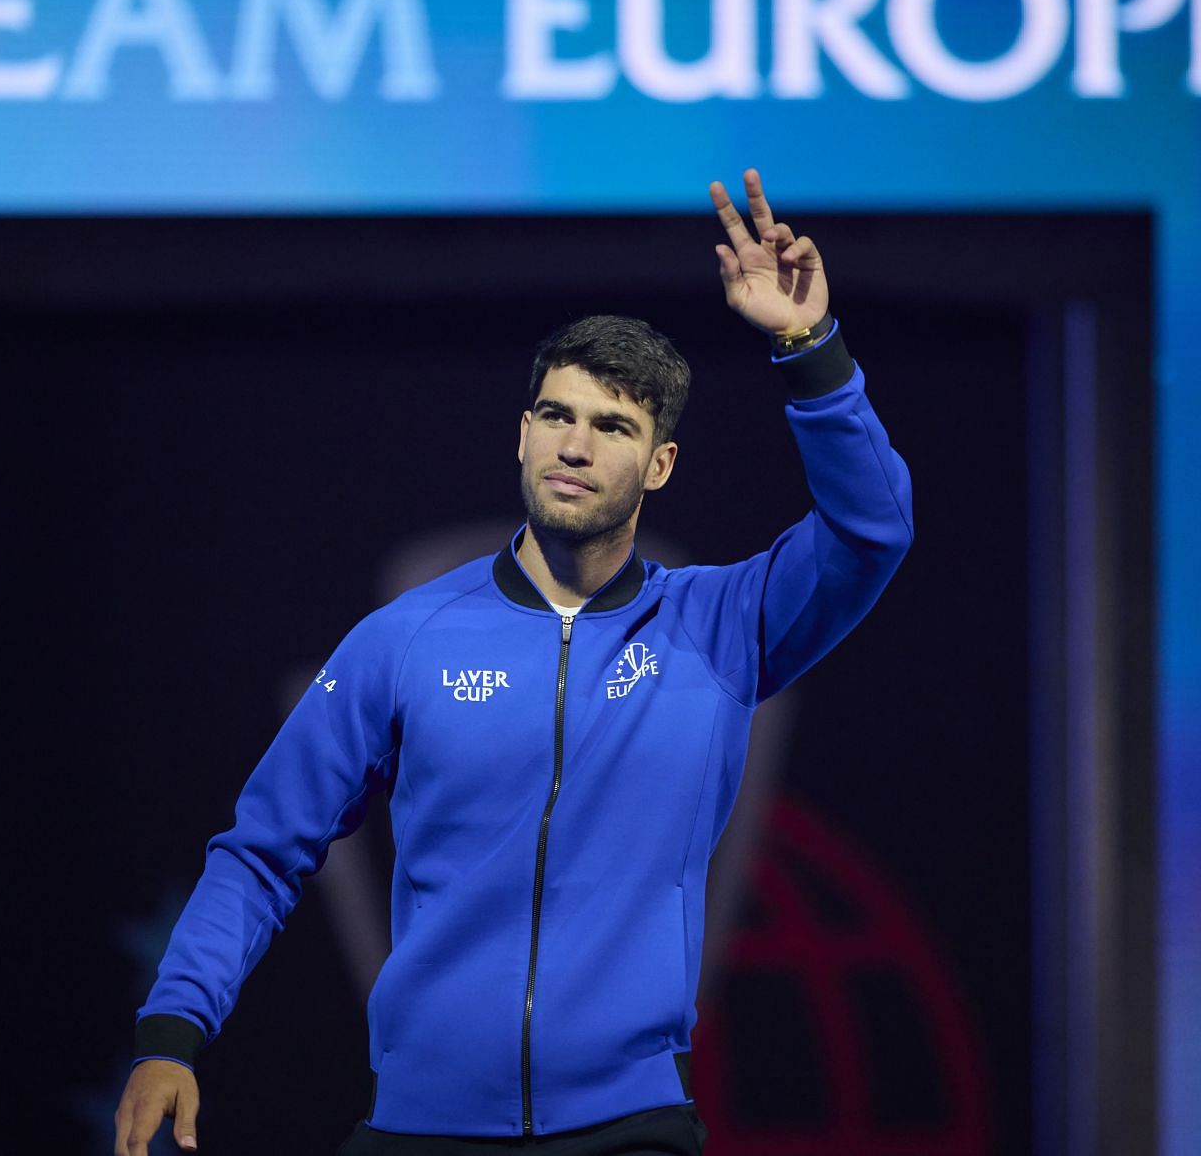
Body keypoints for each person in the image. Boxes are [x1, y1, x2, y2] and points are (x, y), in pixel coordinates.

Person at [111, 169, 915, 1156]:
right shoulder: (403, 638)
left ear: (659, 464)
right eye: (556, 415)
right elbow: (263, 847)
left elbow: (872, 527)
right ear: (522, 432)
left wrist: (809, 347)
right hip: (420, 1127)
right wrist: (170, 1033)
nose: (575, 445)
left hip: (629, 1127)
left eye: (613, 425)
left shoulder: (720, 625)